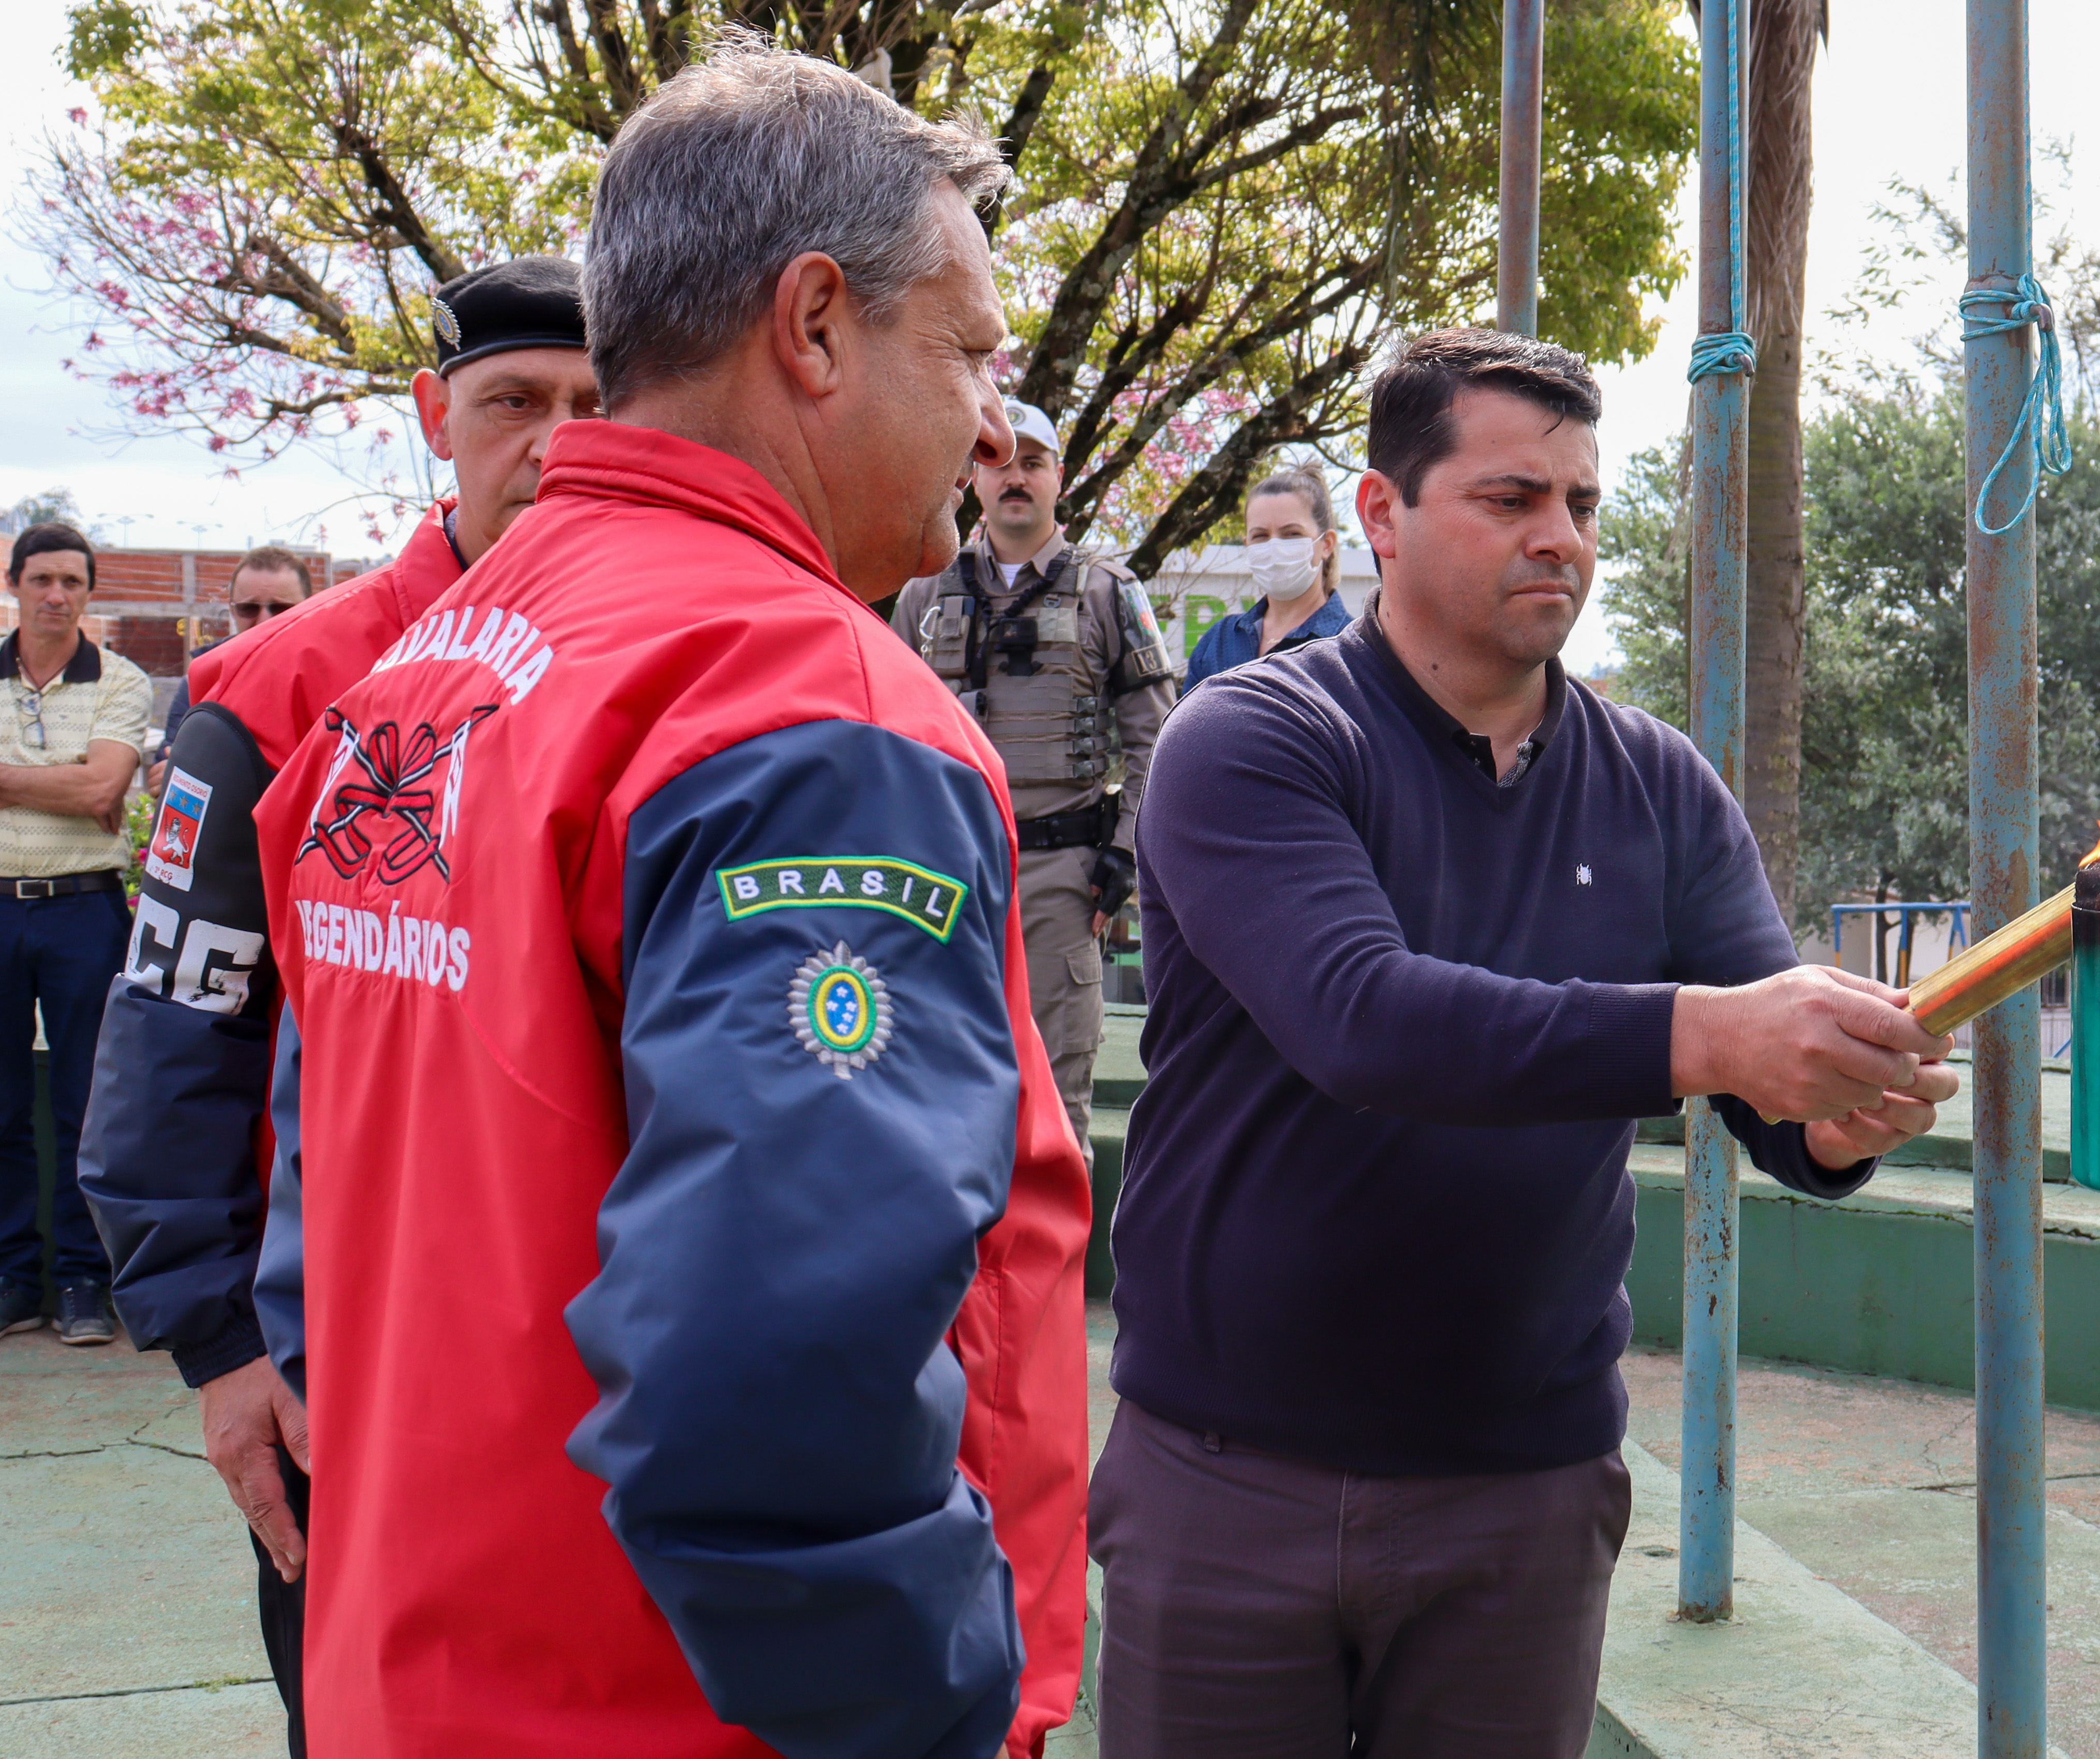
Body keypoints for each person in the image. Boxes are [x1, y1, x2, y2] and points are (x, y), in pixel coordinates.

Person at [246, 42, 1088, 1757]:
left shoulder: (423, 678)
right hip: (674, 1706)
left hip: (419, 1669)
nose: (996, 425)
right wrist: (932, 1710)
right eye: (970, 350)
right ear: (816, 324)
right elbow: (787, 1364)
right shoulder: (797, 703)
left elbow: (327, 1192)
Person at [1093, 328, 1961, 1757]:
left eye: (1581, 502)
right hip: (1231, 1472)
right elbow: (1363, 1018)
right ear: (1382, 514)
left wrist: (1835, 1110)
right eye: (1510, 498)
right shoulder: (1250, 739)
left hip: (1525, 1483)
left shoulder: (1658, 783)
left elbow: (1771, 1098)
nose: (1559, 535)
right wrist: (1712, 1033)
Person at [79, 253, 599, 1757]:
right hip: (344, 1371)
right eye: (515, 402)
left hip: (593, 1358)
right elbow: (176, 1023)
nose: (556, 443)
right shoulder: (275, 687)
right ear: (436, 415)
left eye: (594, 405)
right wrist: (219, 1348)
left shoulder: (669, 662)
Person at [892, 396, 1177, 1160]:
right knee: (936, 1090)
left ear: (1060, 478)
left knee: (1053, 1100)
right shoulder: (924, 592)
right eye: (999, 463)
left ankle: (1055, 1245)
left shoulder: (1110, 591)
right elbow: (887, 735)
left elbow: (1158, 739)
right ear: (975, 479)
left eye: (1034, 463)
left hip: (1061, 880)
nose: (1015, 477)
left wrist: (1124, 857)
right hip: (947, 879)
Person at [0, 522, 151, 1350]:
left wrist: (9, 781)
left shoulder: (121, 679)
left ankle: (83, 1278)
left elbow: (103, 788)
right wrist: (63, 782)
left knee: (88, 1102)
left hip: (83, 907)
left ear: (89, 593)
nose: (56, 596)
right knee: (1, 1101)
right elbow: (85, 785)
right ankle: (15, 1276)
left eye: (72, 582)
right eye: (42, 579)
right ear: (14, 584)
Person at [148, 547, 316, 793]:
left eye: (281, 608)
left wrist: (205, 773)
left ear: (310, 607)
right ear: (233, 609)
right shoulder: (203, 678)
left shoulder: (338, 679)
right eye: (249, 608)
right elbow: (165, 774)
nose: (265, 621)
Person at [1179, 460, 1353, 691]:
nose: (1274, 547)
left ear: (1327, 544)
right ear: (1247, 545)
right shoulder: (1219, 642)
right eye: (1260, 536)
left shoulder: (1352, 650)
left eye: (1292, 534)